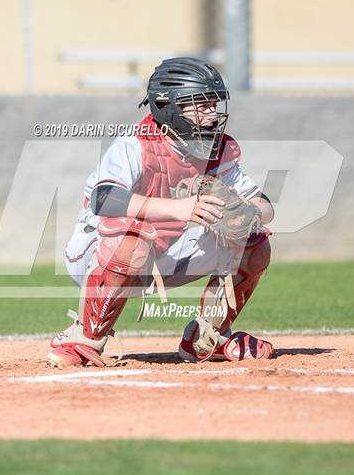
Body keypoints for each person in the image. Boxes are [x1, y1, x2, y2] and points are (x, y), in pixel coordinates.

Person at [48, 57, 274, 368]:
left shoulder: (217, 149)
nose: (212, 114)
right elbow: (104, 199)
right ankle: (84, 338)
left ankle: (207, 338)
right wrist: (180, 209)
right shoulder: (135, 144)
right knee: (134, 237)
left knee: (254, 240)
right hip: (98, 256)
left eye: (214, 104)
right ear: (169, 107)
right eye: (201, 105)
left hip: (165, 256)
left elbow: (266, 206)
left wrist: (246, 212)